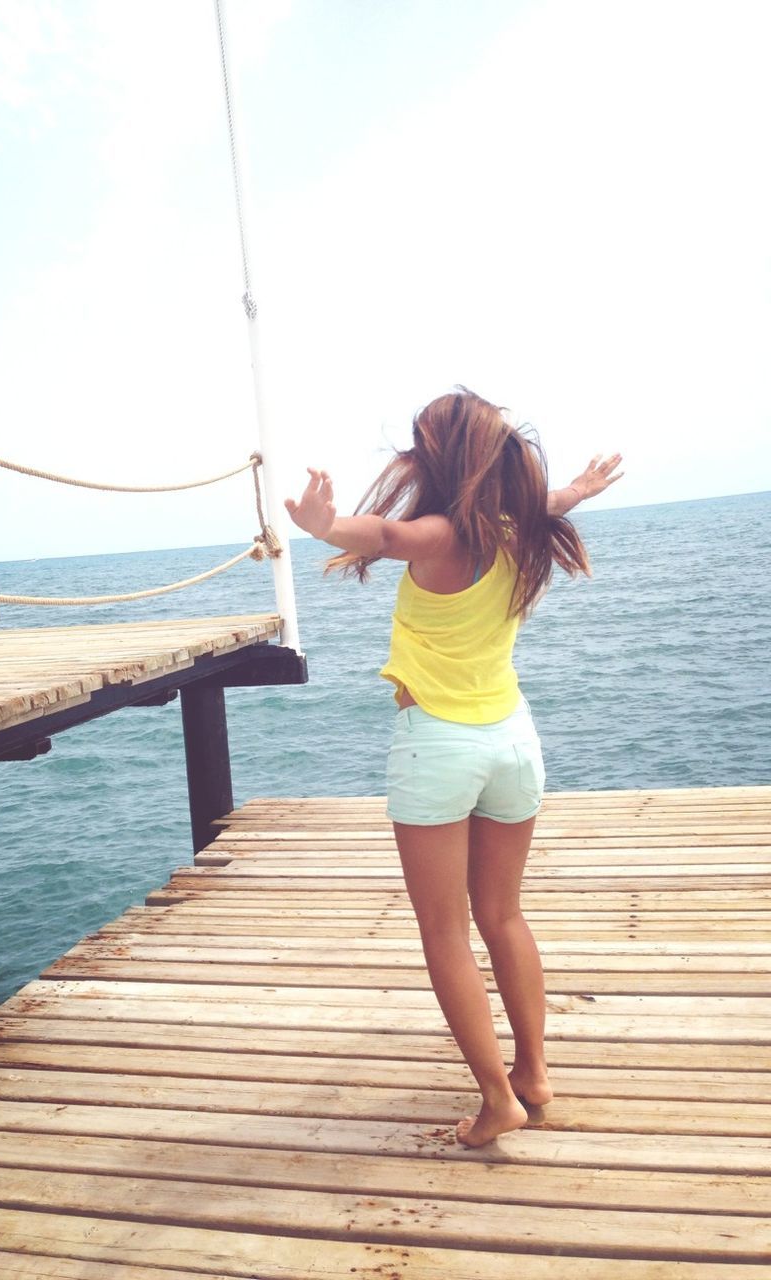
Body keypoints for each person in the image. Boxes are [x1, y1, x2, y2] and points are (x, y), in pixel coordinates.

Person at [285, 388, 623, 1147]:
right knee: (502, 914)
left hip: (438, 745)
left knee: (445, 932)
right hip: (513, 740)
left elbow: (383, 533)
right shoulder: (521, 526)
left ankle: (498, 1100)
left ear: (442, 459)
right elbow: (555, 498)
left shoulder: (438, 535)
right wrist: (579, 489)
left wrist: (322, 527)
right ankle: (533, 1072)